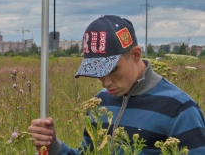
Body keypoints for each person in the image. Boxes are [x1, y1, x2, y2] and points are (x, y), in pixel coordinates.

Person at [28, 15, 205, 154]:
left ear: (135, 55)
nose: (106, 83)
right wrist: (53, 146)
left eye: (113, 70)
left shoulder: (179, 109)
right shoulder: (101, 103)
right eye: (98, 74)